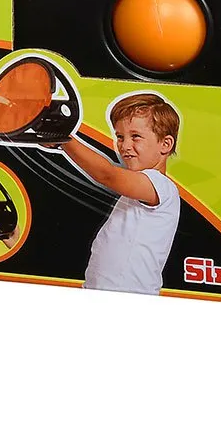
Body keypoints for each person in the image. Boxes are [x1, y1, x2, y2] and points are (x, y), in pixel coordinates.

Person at [49, 91, 181, 296]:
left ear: (165, 144)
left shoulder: (161, 186)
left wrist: (64, 139)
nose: (124, 146)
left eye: (135, 136)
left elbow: (107, 175)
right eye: (120, 137)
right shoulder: (138, 188)